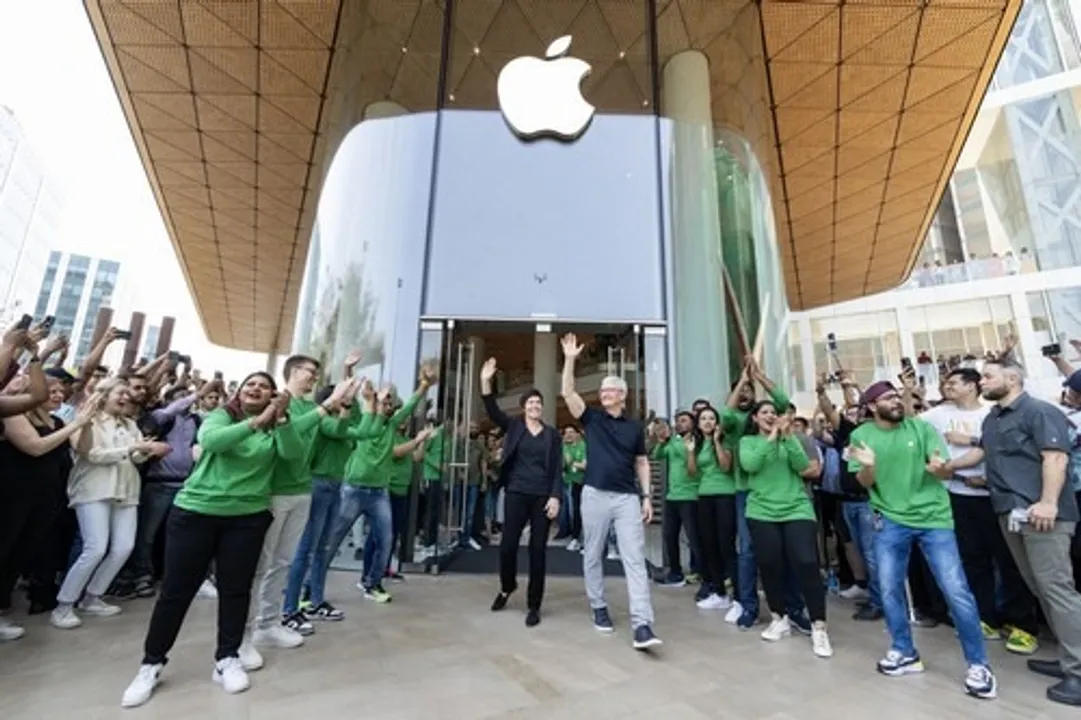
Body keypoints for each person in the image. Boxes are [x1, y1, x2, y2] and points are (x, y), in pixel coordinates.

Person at [119, 373, 354, 708]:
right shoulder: (220, 417)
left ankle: (226, 658)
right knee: (175, 592)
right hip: (195, 513)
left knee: (235, 589)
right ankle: (151, 664)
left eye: (263, 385)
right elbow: (213, 442)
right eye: (249, 384)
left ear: (274, 395)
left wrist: (283, 418)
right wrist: (256, 422)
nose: (255, 388)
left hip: (246, 518)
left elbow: (290, 453)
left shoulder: (279, 425)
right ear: (239, 393)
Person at [847, 380, 996, 699]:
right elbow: (862, 481)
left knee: (956, 589)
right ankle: (904, 650)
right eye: (888, 399)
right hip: (888, 519)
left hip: (934, 520)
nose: (896, 402)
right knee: (889, 588)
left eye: (896, 397)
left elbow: (941, 472)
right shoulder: (861, 436)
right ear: (873, 407)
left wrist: (941, 469)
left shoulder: (921, 429)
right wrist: (869, 467)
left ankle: (978, 665)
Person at [948, 360, 1081, 706]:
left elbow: (1055, 459)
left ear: (1012, 378)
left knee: (1058, 589)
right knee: (1039, 587)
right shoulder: (994, 420)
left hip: (1044, 515)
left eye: (988, 375)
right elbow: (996, 460)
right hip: (1012, 515)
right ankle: (1069, 659)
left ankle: (1080, 671)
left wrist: (1049, 502)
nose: (982, 381)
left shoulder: (1039, 411)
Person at [922, 368, 1039, 653]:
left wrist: (951, 465)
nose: (947, 387)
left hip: (995, 497)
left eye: (953, 383)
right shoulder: (938, 414)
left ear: (972, 386)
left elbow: (987, 451)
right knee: (973, 560)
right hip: (959, 497)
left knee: (1010, 561)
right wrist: (950, 473)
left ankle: (1022, 624)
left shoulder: (992, 414)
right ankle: (985, 617)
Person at [560, 333, 661, 650]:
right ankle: (599, 607)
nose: (603, 394)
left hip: (627, 498)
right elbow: (567, 392)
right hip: (594, 494)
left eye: (609, 390)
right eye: (602, 390)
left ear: (623, 395)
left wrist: (646, 497)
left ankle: (642, 625)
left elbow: (642, 462)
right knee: (593, 553)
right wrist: (570, 359)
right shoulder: (591, 420)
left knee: (634, 559)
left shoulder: (634, 428)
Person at [53, 378, 170, 630]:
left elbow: (136, 457)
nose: (126, 397)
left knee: (124, 547)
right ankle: (63, 605)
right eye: (121, 393)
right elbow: (92, 455)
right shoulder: (87, 421)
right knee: (94, 548)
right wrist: (133, 448)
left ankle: (92, 597)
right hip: (94, 489)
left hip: (126, 491)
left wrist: (147, 450)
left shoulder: (130, 424)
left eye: (127, 394)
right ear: (103, 396)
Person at [740, 401, 832, 657]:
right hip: (761, 510)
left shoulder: (790, 439)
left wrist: (787, 437)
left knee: (806, 562)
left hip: (796, 508)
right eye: (765, 413)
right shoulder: (748, 442)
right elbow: (750, 465)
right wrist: (771, 438)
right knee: (770, 565)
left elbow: (802, 466)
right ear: (756, 419)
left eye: (773, 412)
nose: (770, 416)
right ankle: (779, 618)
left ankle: (819, 625)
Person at [480, 357, 562, 627]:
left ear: (542, 407)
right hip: (516, 492)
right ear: (523, 408)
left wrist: (555, 496)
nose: (535, 406)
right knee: (507, 547)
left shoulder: (552, 435)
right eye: (530, 403)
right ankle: (507, 586)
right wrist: (485, 381)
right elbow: (492, 411)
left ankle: (534, 605)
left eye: (538, 403)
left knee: (538, 550)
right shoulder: (514, 427)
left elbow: (557, 469)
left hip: (541, 496)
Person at [691, 405, 736, 611]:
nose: (708, 422)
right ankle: (718, 592)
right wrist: (690, 452)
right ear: (698, 424)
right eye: (703, 419)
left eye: (711, 418)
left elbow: (726, 466)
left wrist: (717, 441)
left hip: (725, 495)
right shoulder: (697, 444)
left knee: (726, 545)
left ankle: (739, 595)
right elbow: (692, 472)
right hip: (704, 496)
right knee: (709, 545)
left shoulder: (725, 439)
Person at [649, 413, 700, 589]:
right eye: (677, 421)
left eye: (684, 421)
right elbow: (657, 455)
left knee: (695, 538)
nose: (679, 424)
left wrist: (670, 438)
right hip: (672, 496)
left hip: (690, 496)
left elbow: (688, 459)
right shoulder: (673, 442)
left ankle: (706, 573)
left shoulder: (695, 442)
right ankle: (675, 572)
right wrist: (661, 441)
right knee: (669, 536)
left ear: (693, 424)